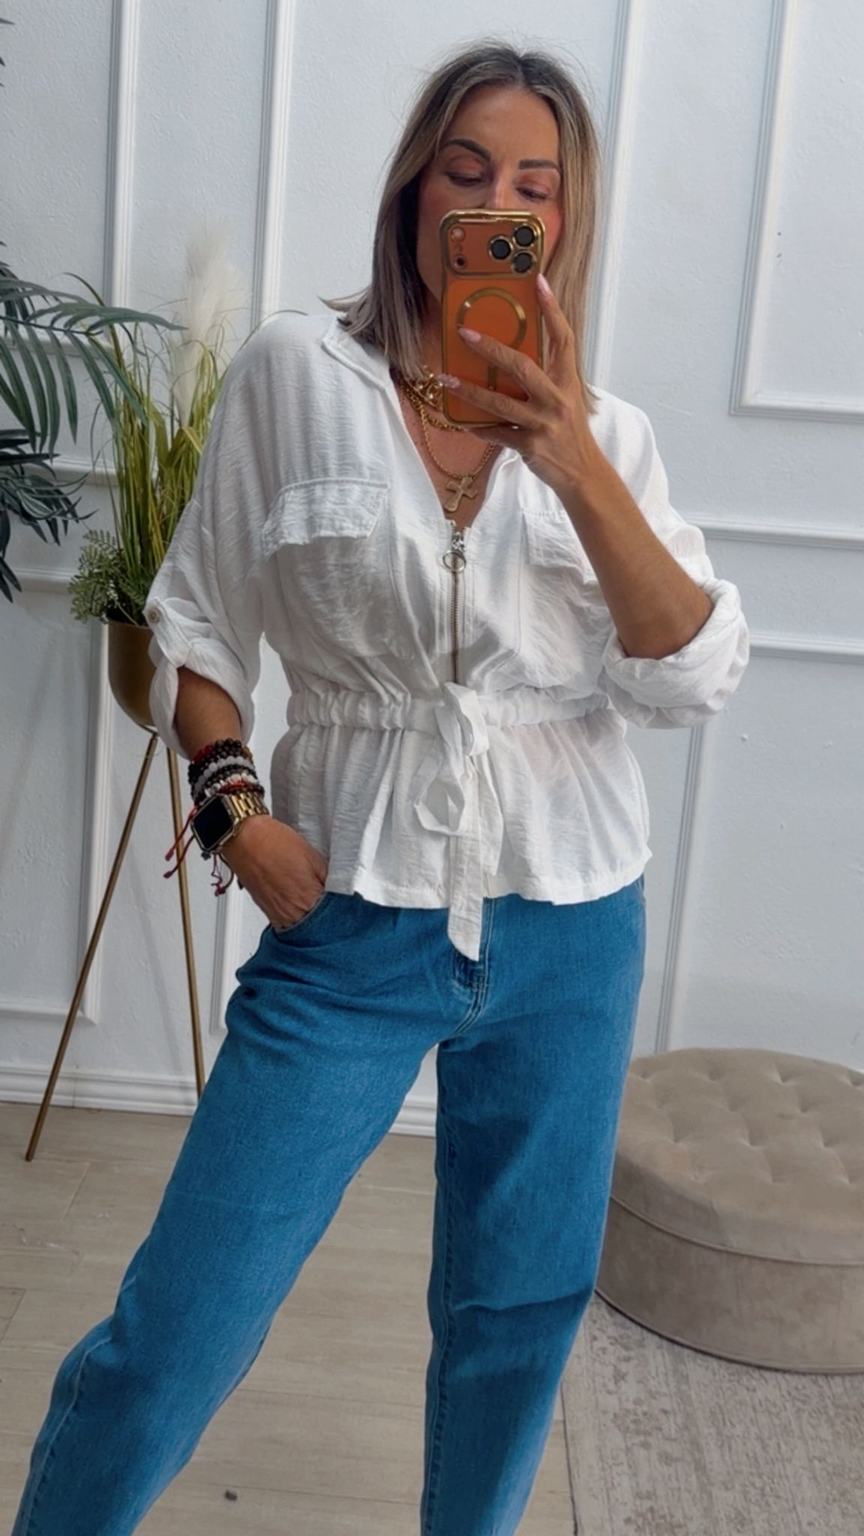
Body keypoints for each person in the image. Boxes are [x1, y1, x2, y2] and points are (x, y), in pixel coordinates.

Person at [11, 39, 750, 1536]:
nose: (496, 207)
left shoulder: (610, 440)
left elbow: (687, 677)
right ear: (415, 191)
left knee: (515, 1314)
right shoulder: (300, 374)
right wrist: (235, 813)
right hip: (351, 915)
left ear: (567, 223)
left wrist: (569, 458)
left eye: (534, 187)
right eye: (466, 173)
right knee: (183, 1323)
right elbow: (196, 624)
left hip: (569, 928)